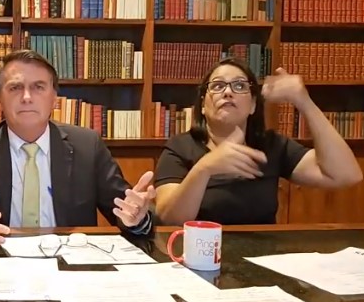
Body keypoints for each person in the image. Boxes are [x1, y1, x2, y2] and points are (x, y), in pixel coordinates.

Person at [0, 49, 156, 251]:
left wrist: (137, 218)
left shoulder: (87, 145)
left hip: (70, 262)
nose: (27, 97)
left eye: (38, 87)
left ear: (54, 99)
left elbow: (126, 212)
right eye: (15, 88)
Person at [154, 57, 362, 225]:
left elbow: (346, 175)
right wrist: (204, 169)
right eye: (217, 86)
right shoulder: (180, 147)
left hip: (263, 255)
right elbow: (170, 218)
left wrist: (304, 102)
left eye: (239, 85)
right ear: (202, 105)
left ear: (253, 104)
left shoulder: (272, 145)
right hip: (198, 254)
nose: (228, 92)